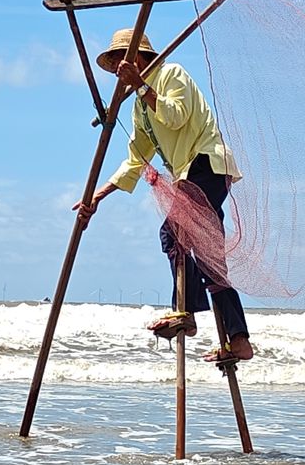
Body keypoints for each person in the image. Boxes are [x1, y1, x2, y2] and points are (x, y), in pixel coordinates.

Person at [74, 27, 254, 362]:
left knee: (172, 234)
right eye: (114, 64)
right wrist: (99, 195)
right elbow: (135, 160)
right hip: (193, 173)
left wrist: (142, 86)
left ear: (138, 58)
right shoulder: (138, 108)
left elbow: (175, 116)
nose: (116, 69)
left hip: (206, 164)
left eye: (120, 61)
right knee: (210, 259)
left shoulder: (171, 74)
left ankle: (184, 312)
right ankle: (238, 339)